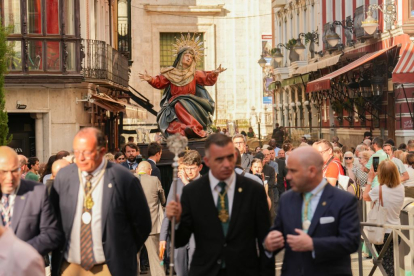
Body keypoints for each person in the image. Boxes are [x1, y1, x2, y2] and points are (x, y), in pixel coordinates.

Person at [166, 134, 274, 276]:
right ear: (207, 161)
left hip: (244, 270)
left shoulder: (253, 190)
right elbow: (180, 240)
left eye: (229, 157)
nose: (226, 163)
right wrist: (176, 220)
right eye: (219, 159)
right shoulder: (192, 192)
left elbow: (265, 239)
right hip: (205, 270)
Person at [50, 127, 151, 276]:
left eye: (87, 152)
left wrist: (123, 252)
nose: (81, 158)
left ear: (102, 151)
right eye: (77, 152)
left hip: (108, 268)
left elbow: (142, 224)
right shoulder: (64, 177)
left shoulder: (123, 179)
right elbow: (53, 218)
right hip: (70, 266)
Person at [264, 146, 360, 275]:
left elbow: (351, 241)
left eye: (293, 171)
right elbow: (279, 232)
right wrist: (269, 243)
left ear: (312, 171)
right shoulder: (287, 199)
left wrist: (313, 244)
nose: (288, 176)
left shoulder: (344, 200)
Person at [139, 35, 226, 138]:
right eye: (187, 55)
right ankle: (184, 130)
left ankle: (195, 127)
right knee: (171, 124)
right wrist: (150, 79)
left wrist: (214, 73)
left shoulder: (194, 74)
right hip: (172, 103)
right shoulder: (171, 73)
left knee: (179, 104)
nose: (189, 58)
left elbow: (207, 78)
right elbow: (160, 81)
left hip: (191, 102)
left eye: (191, 57)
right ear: (181, 57)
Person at [160, 150, 202, 276]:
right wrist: (163, 238)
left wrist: (186, 184)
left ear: (200, 167)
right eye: (187, 168)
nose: (189, 172)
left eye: (192, 168)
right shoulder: (176, 183)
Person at [363, 160, 404, 276]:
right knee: (391, 261)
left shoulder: (379, 190)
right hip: (396, 229)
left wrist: (370, 179)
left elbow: (365, 196)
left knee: (386, 263)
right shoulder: (400, 188)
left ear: (381, 174)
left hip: (382, 232)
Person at [136, 161, 166, 276]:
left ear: (138, 169)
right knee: (156, 259)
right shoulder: (154, 180)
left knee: (132, 259)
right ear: (150, 171)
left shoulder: (129, 178)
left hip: (133, 227)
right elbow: (163, 199)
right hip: (151, 226)